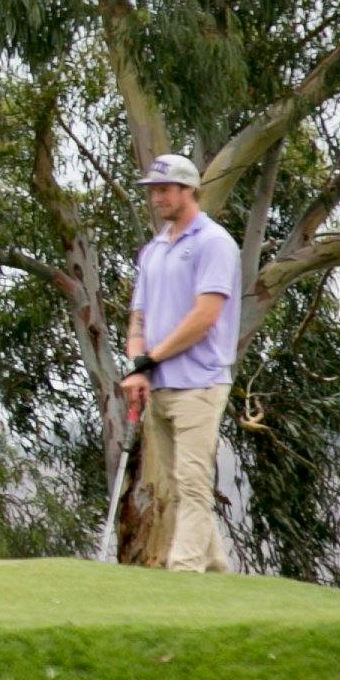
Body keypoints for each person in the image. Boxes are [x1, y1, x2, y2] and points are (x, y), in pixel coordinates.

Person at [119, 152, 241, 571]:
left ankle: (184, 570)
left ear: (190, 190)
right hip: (161, 384)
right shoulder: (153, 250)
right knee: (175, 484)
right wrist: (138, 364)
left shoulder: (213, 243)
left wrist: (150, 358)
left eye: (165, 189)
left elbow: (204, 317)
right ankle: (217, 568)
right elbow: (139, 317)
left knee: (192, 484)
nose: (157, 198)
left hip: (200, 382)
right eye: (153, 191)